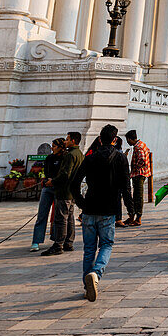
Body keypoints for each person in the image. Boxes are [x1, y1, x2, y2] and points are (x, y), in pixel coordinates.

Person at [70, 123, 132, 302]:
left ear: (99, 139)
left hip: (90, 209)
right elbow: (126, 187)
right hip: (108, 209)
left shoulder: (90, 158)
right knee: (106, 244)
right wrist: (131, 209)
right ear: (115, 140)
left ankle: (86, 285)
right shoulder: (120, 159)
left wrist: (82, 204)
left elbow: (74, 184)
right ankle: (96, 274)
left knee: (89, 249)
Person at [43, 131, 83, 256]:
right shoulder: (80, 154)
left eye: (67, 139)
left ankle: (58, 244)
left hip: (64, 190)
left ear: (73, 141)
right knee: (69, 217)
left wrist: (52, 182)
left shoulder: (70, 155)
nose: (65, 141)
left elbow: (65, 174)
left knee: (61, 218)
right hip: (73, 191)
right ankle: (68, 242)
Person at [31, 138, 64, 251]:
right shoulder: (49, 158)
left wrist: (53, 180)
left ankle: (56, 239)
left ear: (60, 147)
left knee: (57, 215)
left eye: (54, 146)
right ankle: (36, 240)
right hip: (47, 187)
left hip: (58, 187)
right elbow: (47, 171)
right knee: (42, 214)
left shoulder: (64, 158)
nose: (52, 148)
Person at [124, 130, 151, 226]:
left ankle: (138, 218)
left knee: (138, 196)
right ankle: (134, 217)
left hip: (139, 174)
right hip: (142, 173)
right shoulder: (142, 144)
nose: (127, 142)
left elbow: (142, 159)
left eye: (128, 140)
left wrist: (135, 167)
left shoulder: (138, 147)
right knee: (136, 195)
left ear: (130, 139)